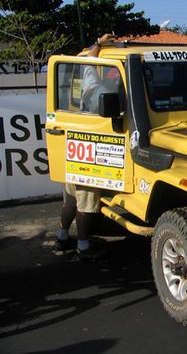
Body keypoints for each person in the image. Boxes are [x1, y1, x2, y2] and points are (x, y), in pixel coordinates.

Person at [54, 33, 117, 260]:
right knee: (86, 204)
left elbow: (89, 66)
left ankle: (62, 237)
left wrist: (98, 45)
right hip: (91, 158)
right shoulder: (104, 94)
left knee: (70, 200)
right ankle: (83, 246)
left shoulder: (90, 85)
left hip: (76, 153)